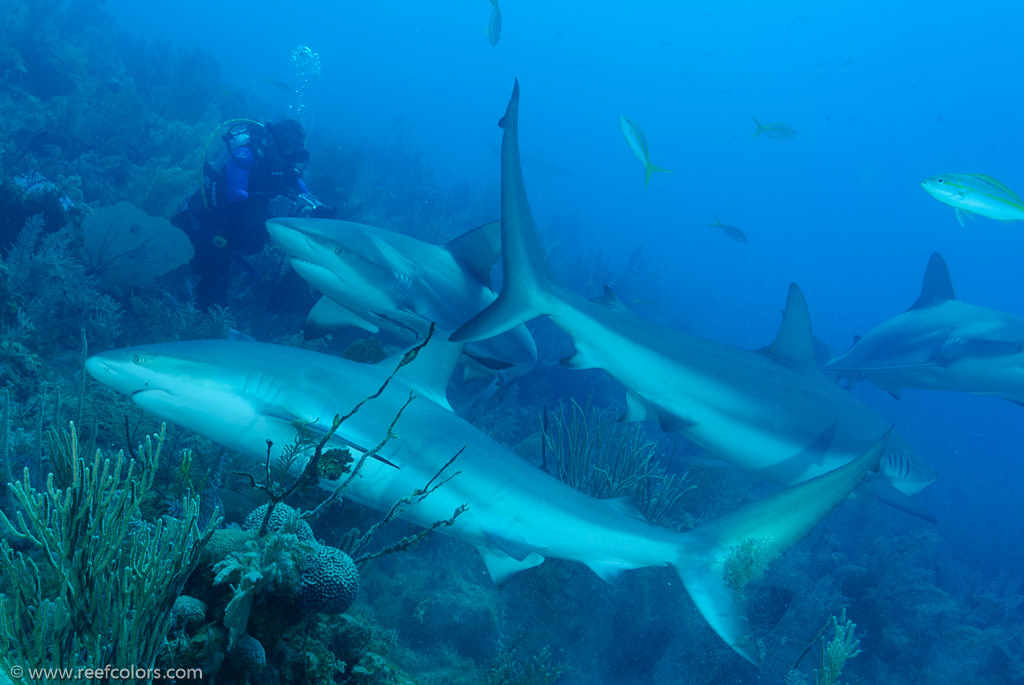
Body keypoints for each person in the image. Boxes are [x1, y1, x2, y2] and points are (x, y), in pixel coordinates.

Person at [173, 119, 334, 308]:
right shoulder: (246, 155)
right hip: (200, 229)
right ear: (273, 142)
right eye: (288, 145)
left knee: (210, 301)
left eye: (299, 148)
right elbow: (235, 193)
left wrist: (317, 211)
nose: (292, 155)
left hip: (230, 245)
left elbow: (306, 198)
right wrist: (267, 204)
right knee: (193, 294)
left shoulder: (290, 175)